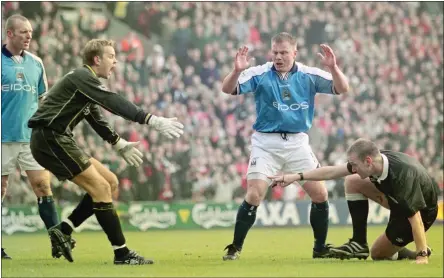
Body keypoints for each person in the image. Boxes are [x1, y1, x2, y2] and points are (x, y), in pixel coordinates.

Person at [28, 38, 184, 265]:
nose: (115, 61)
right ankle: (122, 254)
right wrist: (150, 119)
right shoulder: (83, 77)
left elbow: (94, 116)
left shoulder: (82, 82)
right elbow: (111, 100)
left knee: (109, 182)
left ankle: (63, 229)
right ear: (97, 59)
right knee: (100, 188)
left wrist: (118, 143)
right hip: (50, 138)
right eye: (111, 57)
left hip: (56, 138)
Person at [220, 32, 349, 260]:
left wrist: (334, 68)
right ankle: (235, 247)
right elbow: (227, 89)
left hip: (297, 142)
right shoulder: (260, 73)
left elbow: (342, 88)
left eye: (284, 52)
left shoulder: (308, 75)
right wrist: (237, 70)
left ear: (294, 53)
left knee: (320, 194)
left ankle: (319, 248)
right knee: (254, 194)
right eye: (275, 52)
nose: (278, 57)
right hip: (266, 142)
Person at [269, 138, 439, 264]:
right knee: (353, 180)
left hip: (424, 212)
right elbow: (331, 172)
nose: (352, 168)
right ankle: (359, 242)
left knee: (378, 254)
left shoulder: (401, 177)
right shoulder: (376, 163)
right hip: (397, 201)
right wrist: (296, 176)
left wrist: (421, 256)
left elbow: (415, 217)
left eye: (354, 164)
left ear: (368, 161)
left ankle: (416, 250)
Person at [1, 14, 73, 260]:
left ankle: (56, 238)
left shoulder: (36, 63)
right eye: (23, 32)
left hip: (31, 138)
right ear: (9, 33)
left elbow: (44, 100)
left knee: (43, 186)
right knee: (1, 190)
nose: (29, 35)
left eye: (30, 32)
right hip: (2, 138)